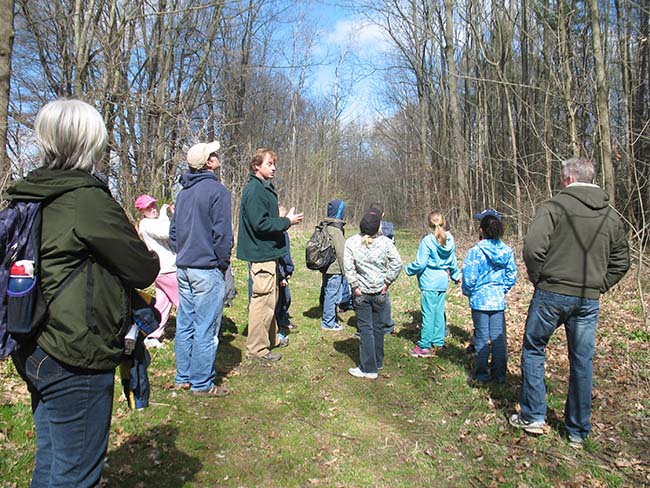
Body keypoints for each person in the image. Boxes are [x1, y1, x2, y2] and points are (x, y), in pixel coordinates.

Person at [6, 99, 159, 487]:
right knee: (75, 475)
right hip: (74, 353)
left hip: (34, 344)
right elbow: (142, 269)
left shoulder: (33, 192)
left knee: (53, 461)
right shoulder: (85, 199)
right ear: (91, 143)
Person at [509, 158, 630, 447]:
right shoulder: (610, 216)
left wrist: (540, 278)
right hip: (587, 298)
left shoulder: (554, 207)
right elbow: (622, 261)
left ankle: (534, 416)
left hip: (552, 292)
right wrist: (599, 284)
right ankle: (577, 430)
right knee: (582, 360)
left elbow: (532, 248)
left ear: (568, 180)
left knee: (535, 348)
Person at [169, 141, 233, 397]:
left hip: (184, 268)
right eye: (214, 154)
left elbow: (173, 234)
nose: (217, 156)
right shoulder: (217, 191)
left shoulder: (183, 193)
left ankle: (182, 377)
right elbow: (223, 235)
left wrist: (184, 252)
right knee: (206, 328)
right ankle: (201, 383)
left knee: (186, 324)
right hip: (206, 269)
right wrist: (221, 263)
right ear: (209, 163)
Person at [237, 148, 303, 362]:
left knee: (270, 299)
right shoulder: (255, 190)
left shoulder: (263, 187)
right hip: (261, 254)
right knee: (262, 302)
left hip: (267, 253)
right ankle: (257, 349)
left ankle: (271, 337)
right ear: (257, 166)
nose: (273, 167)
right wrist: (287, 222)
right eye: (269, 163)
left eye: (274, 163)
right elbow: (260, 224)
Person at [344, 211, 402, 379]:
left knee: (366, 329)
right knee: (377, 327)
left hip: (363, 292)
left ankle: (369, 368)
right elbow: (397, 263)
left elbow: (348, 267)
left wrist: (354, 286)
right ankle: (376, 362)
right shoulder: (386, 243)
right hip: (377, 292)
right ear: (378, 228)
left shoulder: (351, 242)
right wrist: (387, 282)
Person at [461, 210, 517, 384]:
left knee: (482, 339)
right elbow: (511, 275)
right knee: (499, 340)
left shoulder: (475, 252)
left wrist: (470, 292)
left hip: (479, 301)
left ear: (481, 231)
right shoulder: (507, 251)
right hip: (497, 301)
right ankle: (499, 376)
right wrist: (501, 290)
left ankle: (481, 375)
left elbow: (469, 278)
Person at [405, 211, 460, 357]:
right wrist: (456, 276)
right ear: (444, 222)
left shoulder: (427, 241)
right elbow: (453, 261)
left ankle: (424, 346)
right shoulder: (450, 239)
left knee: (428, 314)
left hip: (429, 281)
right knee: (439, 312)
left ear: (429, 224)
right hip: (442, 280)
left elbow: (421, 263)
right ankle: (438, 341)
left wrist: (408, 269)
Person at [135, 195, 180, 348]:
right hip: (167, 270)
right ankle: (195, 333)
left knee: (162, 304)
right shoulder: (146, 224)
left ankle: (151, 334)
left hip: (162, 270)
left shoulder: (151, 222)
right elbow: (167, 232)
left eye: (154, 204)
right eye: (149, 207)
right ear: (141, 211)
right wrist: (168, 215)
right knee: (184, 303)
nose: (153, 208)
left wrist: (164, 215)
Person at [369, 203, 396, 334]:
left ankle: (368, 325)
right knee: (383, 295)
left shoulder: (366, 225)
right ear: (383, 214)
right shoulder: (388, 228)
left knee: (366, 297)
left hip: (368, 266)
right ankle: (385, 325)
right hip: (383, 266)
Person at [320, 199, 347, 331]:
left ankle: (329, 317)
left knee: (328, 292)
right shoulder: (336, 230)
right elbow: (341, 253)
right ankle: (328, 322)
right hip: (335, 268)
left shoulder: (325, 226)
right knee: (332, 294)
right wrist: (346, 271)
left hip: (326, 266)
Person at [276, 205, 296, 332]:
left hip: (284, 271)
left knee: (285, 298)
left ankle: (282, 319)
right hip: (280, 272)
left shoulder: (284, 234)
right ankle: (280, 321)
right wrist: (283, 274)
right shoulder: (279, 235)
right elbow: (282, 256)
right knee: (283, 299)